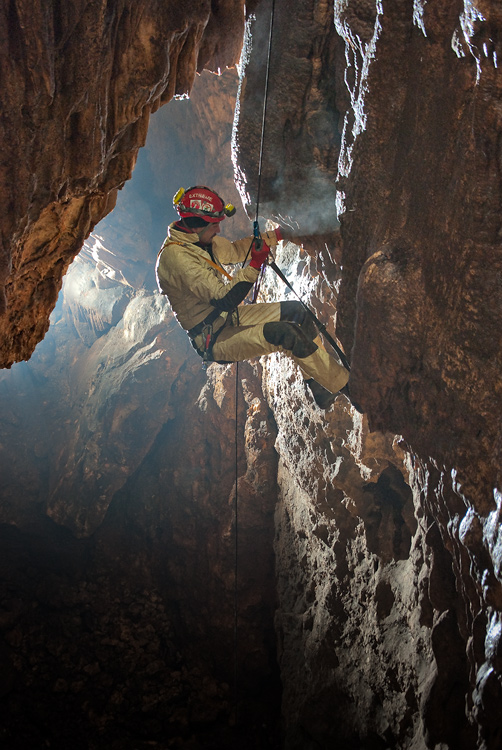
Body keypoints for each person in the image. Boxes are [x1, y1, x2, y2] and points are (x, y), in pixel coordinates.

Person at [155, 185, 350, 410]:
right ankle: (349, 389)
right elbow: (225, 298)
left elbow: (237, 251)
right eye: (214, 224)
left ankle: (321, 387)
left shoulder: (200, 240)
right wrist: (256, 264)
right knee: (285, 334)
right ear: (197, 224)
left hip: (227, 317)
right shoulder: (176, 258)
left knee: (299, 312)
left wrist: (277, 235)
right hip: (213, 337)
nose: (218, 229)